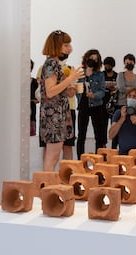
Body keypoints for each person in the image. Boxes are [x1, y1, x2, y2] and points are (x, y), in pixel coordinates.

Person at [39, 30, 84, 171]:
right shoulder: (51, 64)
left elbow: (59, 90)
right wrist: (70, 79)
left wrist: (70, 87)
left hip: (59, 114)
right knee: (52, 157)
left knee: (53, 155)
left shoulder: (55, 64)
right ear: (56, 46)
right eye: (66, 45)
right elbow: (50, 91)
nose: (69, 48)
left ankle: (48, 188)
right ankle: (47, 189)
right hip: (53, 116)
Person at [76, 49, 106, 159]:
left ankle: (99, 160)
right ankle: (80, 160)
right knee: (81, 135)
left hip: (97, 105)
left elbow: (103, 91)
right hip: (83, 105)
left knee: (99, 135)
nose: (93, 61)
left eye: (96, 59)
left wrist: (94, 95)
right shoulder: (80, 73)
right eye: (91, 58)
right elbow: (77, 89)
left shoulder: (100, 75)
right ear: (86, 58)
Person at [109, 88, 136, 155]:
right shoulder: (119, 113)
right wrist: (121, 119)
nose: (131, 98)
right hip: (124, 152)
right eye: (129, 96)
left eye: (134, 97)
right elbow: (111, 135)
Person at [113, 53, 136, 148]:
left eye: (131, 61)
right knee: (117, 128)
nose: (129, 63)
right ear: (124, 63)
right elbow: (121, 88)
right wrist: (134, 89)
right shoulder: (121, 75)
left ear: (134, 63)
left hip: (134, 105)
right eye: (127, 62)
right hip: (121, 104)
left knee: (130, 128)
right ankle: (114, 149)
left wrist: (129, 88)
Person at [102, 56, 118, 147]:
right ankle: (103, 144)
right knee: (103, 126)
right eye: (105, 65)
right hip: (103, 104)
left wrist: (114, 87)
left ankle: (114, 146)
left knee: (114, 125)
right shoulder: (101, 75)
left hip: (114, 104)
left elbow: (119, 88)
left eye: (109, 65)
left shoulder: (117, 75)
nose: (107, 67)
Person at [30, 59, 39, 136]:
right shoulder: (17, 81)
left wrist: (35, 100)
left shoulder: (34, 82)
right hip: (17, 115)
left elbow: (38, 98)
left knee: (32, 135)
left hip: (32, 114)